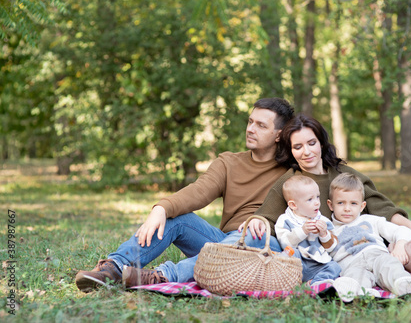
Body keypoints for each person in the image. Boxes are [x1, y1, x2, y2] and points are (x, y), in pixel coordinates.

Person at [75, 98, 295, 292]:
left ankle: (163, 276)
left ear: (278, 135)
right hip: (222, 245)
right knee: (178, 218)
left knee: (254, 235)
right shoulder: (228, 162)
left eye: (261, 125)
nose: (250, 129)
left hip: (264, 247)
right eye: (250, 121)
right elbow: (199, 190)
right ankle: (113, 268)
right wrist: (161, 208)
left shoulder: (292, 171)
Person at [246, 114, 411, 244]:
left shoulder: (344, 174)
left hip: (367, 242)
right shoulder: (291, 182)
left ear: (321, 143)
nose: (306, 152)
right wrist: (258, 220)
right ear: (291, 151)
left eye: (311, 143)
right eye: (298, 147)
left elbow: (383, 209)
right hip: (322, 255)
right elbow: (267, 217)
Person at [327, 172, 411, 297]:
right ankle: (356, 291)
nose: (347, 208)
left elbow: (403, 230)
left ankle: (406, 285)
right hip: (352, 263)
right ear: (330, 205)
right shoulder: (328, 230)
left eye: (353, 203)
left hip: (377, 255)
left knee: (390, 265)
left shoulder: (371, 220)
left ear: (362, 206)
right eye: (340, 203)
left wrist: (400, 245)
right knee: (354, 276)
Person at [275, 175, 341, 285]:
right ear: (293, 205)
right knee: (289, 254)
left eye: (318, 197)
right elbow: (284, 242)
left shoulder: (323, 221)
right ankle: (288, 281)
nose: (317, 202)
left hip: (316, 263)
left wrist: (324, 234)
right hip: (297, 261)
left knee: (334, 267)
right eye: (310, 199)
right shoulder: (285, 220)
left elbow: (332, 248)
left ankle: (316, 283)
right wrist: (302, 231)